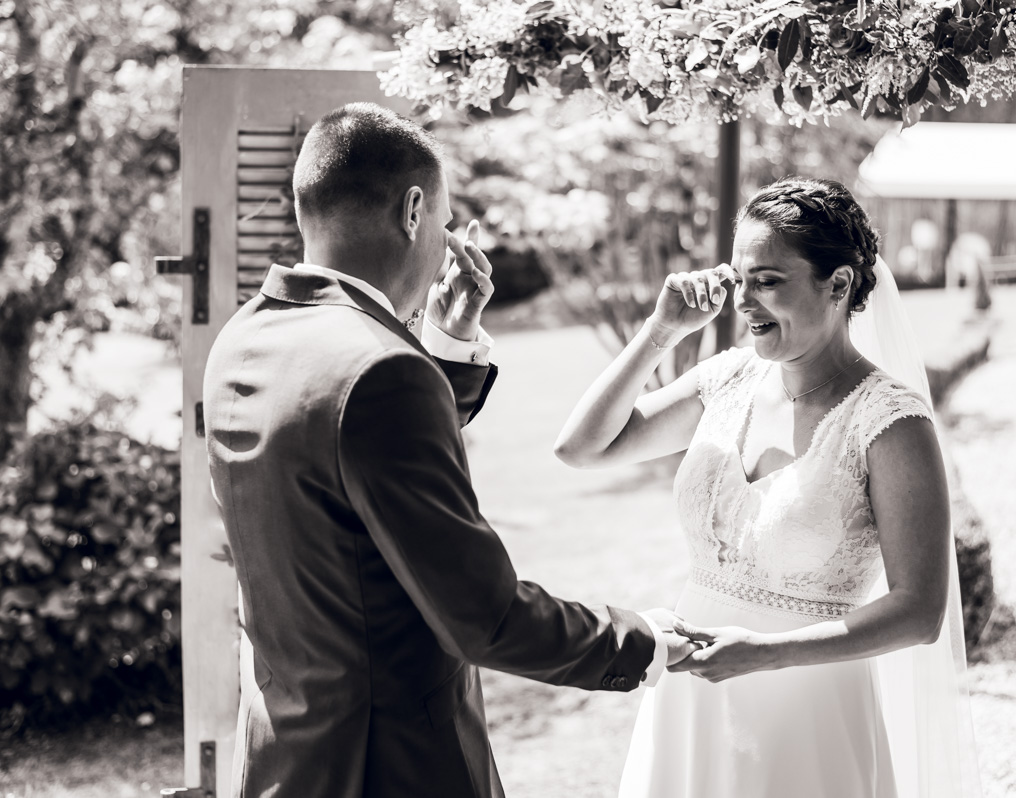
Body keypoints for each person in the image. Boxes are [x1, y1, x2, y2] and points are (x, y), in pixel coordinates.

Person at [202, 102, 698, 798]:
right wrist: (638, 639)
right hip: (391, 767)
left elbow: (352, 462)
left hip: (282, 755)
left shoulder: (244, 339)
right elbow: (485, 617)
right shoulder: (383, 375)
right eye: (442, 220)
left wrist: (442, 349)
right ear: (412, 210)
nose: (443, 241)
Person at [555, 177, 978, 798]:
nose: (744, 302)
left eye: (769, 281)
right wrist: (660, 333)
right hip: (688, 695)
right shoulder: (726, 380)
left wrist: (764, 652)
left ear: (838, 285)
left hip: (807, 715)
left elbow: (918, 613)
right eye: (740, 279)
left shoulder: (891, 422)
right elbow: (581, 447)